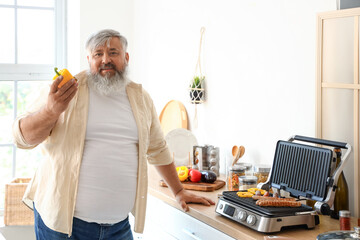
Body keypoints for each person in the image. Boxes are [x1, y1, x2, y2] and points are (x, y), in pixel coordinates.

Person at [12, 29, 215, 240]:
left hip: (118, 228)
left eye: (113, 52)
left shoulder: (141, 98)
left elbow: (158, 148)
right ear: (88, 59)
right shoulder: (63, 91)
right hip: (63, 226)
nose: (105, 59)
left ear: (126, 58)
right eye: (98, 54)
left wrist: (179, 191)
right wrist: (51, 111)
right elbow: (22, 137)